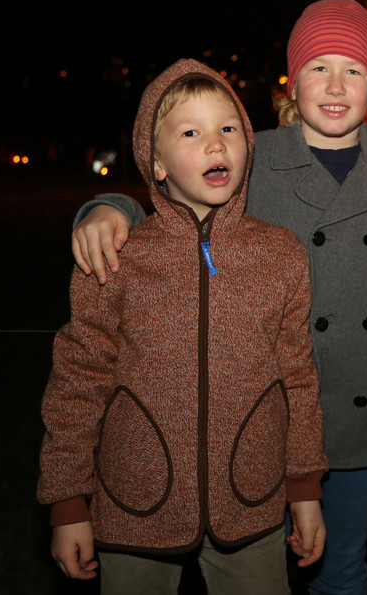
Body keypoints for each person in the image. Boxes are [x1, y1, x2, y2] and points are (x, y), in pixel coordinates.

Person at [67, 0, 367, 594]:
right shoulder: (249, 151)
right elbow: (178, 215)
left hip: (361, 414)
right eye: (318, 67)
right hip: (255, 416)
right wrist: (109, 208)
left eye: (354, 69)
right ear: (292, 80)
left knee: (340, 568)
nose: (336, 86)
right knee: (245, 563)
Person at [38, 58, 328, 593]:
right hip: (134, 501)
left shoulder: (281, 254)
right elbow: (78, 380)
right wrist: (68, 501)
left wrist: (304, 488)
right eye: (190, 133)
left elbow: (299, 379)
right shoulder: (116, 257)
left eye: (229, 129)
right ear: (157, 163)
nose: (216, 144)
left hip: (253, 500)